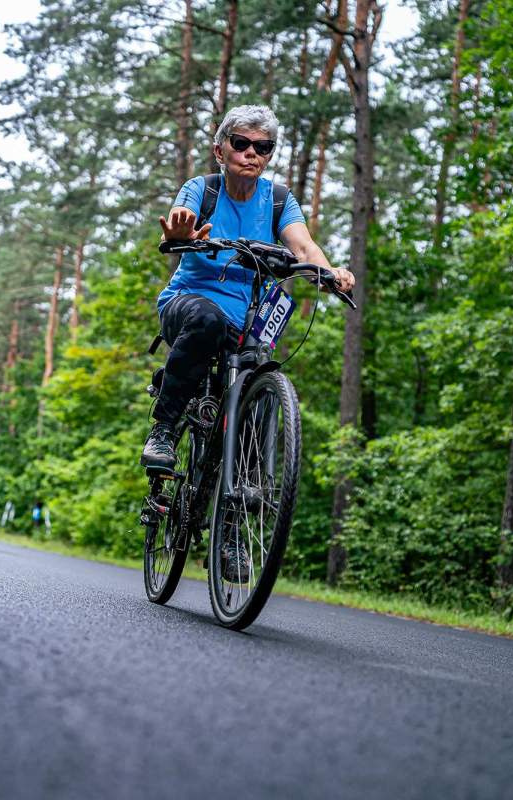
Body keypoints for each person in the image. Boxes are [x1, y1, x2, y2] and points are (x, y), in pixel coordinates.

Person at [141, 104, 355, 579]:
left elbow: (303, 246)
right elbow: (181, 217)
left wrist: (329, 272)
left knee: (259, 386)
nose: (252, 154)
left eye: (263, 147)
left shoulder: (278, 200)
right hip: (190, 305)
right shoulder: (204, 189)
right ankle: (164, 431)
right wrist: (179, 233)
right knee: (207, 321)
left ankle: (233, 533)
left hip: (247, 324)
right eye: (241, 143)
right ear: (221, 149)